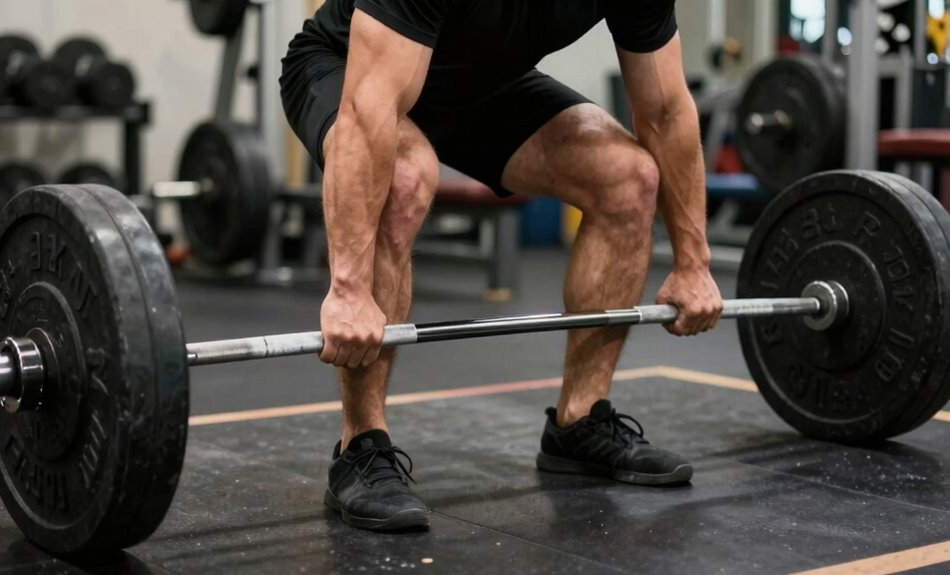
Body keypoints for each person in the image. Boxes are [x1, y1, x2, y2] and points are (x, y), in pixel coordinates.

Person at [280, 0, 724, 532]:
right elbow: (368, 108)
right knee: (402, 179)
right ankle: (362, 444)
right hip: (344, 66)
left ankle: (580, 422)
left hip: (482, 85)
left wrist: (693, 263)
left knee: (627, 178)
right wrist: (349, 289)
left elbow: (666, 111)